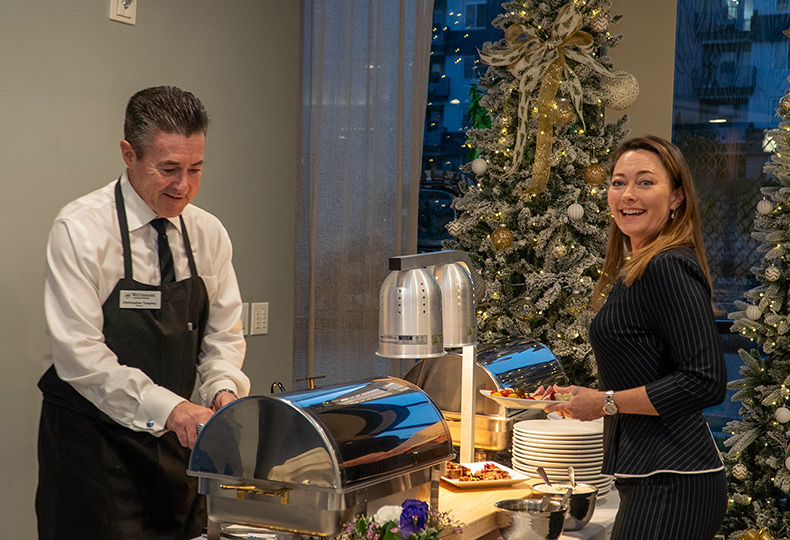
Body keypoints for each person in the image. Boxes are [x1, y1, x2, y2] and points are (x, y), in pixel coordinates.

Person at [36, 86, 251, 540]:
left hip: (177, 447)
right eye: (169, 168)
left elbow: (222, 339)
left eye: (195, 169)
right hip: (91, 451)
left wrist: (223, 393)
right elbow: (80, 355)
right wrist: (173, 410)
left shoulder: (208, 233)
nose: (184, 186)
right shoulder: (80, 230)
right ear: (128, 153)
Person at [543, 136, 727, 540]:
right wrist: (586, 396)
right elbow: (649, 368)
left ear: (676, 197)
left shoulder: (667, 267)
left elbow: (707, 380)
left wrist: (606, 403)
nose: (628, 194)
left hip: (674, 481)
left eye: (645, 182)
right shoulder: (638, 268)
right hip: (652, 476)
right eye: (617, 182)